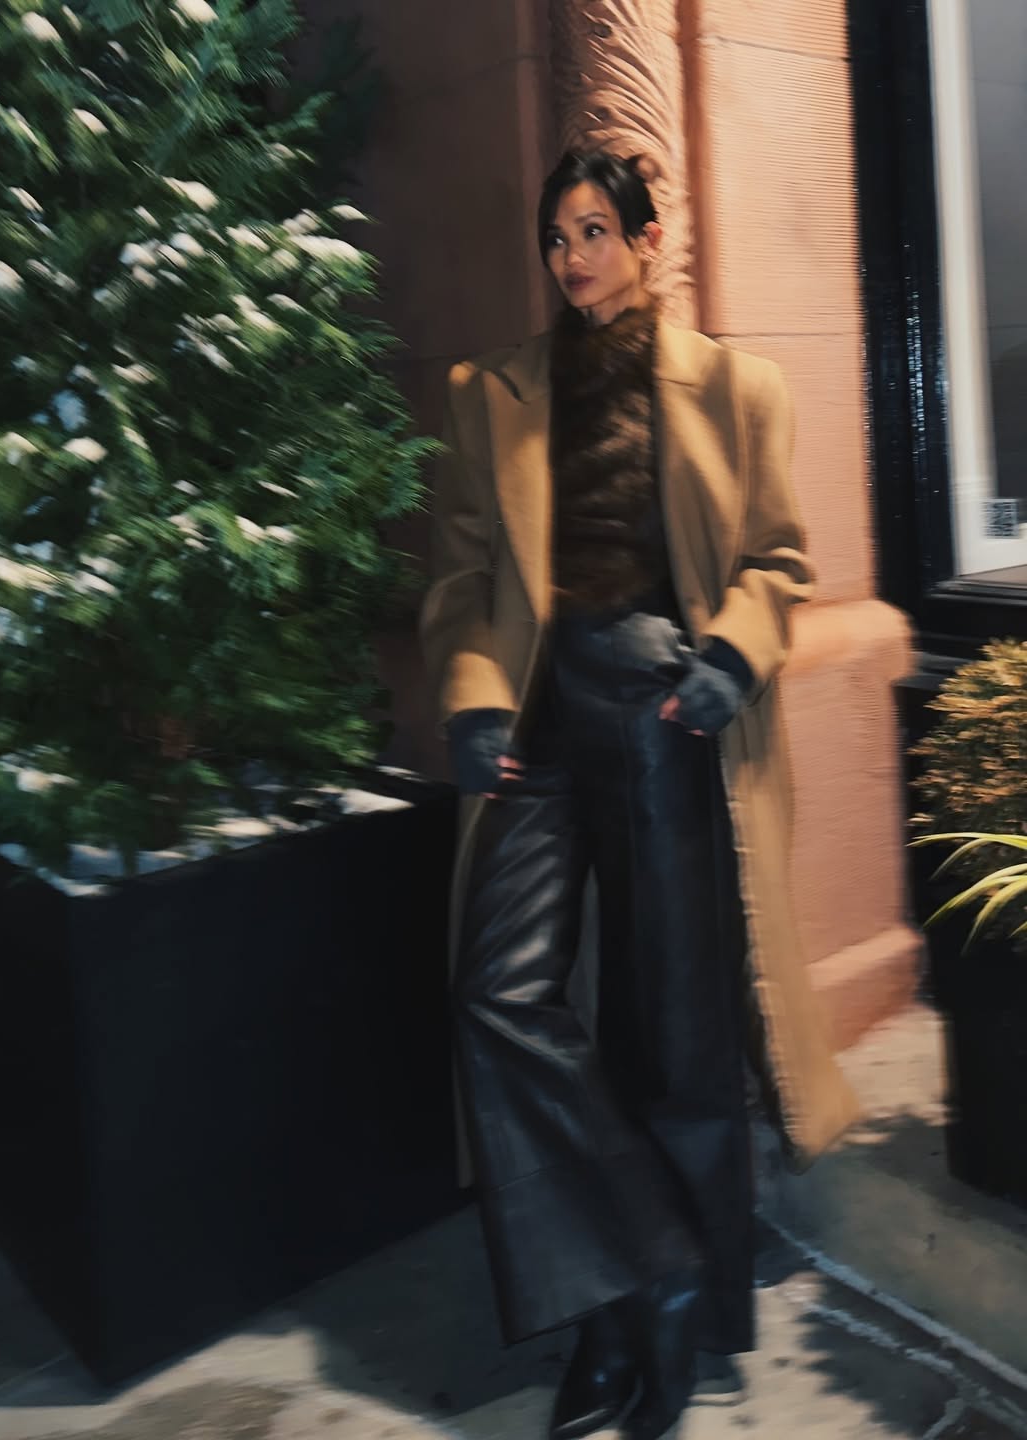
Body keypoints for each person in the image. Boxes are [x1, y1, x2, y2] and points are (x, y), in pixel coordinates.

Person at [420, 149, 858, 1440]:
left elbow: (779, 558)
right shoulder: (490, 392)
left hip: (668, 718)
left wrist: (730, 658)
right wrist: (471, 698)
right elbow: (459, 575)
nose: (573, 258)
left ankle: (635, 1325)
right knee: (496, 991)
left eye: (596, 231)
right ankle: (654, 1263)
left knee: (674, 1024)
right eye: (557, 237)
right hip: (541, 726)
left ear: (649, 239)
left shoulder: (735, 387)